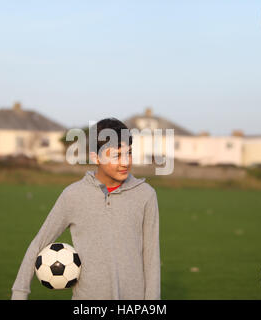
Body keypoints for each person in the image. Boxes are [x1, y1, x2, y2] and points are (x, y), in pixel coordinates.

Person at [11, 117, 161, 300]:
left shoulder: (145, 194)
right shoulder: (73, 195)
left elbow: (151, 257)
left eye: (128, 153)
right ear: (95, 157)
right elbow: (38, 244)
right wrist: (19, 293)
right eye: (116, 155)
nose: (125, 162)